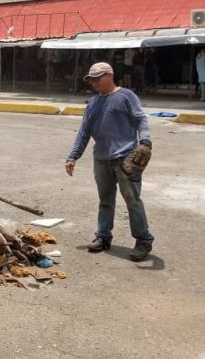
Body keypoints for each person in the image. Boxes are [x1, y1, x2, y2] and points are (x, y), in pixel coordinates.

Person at [65, 62, 154, 262]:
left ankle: (143, 240)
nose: (94, 83)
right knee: (105, 201)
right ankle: (103, 237)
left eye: (98, 78)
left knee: (132, 201)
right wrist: (73, 156)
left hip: (126, 158)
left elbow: (141, 119)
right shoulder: (93, 103)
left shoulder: (126, 96)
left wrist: (145, 142)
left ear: (109, 75)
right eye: (91, 79)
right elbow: (84, 132)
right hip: (102, 159)